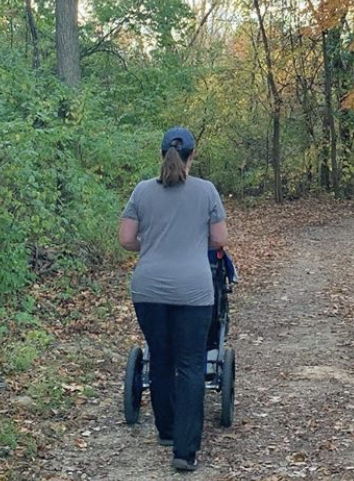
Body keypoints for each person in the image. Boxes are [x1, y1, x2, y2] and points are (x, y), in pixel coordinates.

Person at [119, 126, 227, 473]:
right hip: (193, 291)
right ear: (192, 156)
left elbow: (125, 240)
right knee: (192, 365)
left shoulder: (142, 191)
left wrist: (151, 244)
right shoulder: (206, 191)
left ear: (161, 154)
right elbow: (219, 239)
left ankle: (166, 430)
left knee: (161, 359)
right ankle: (184, 451)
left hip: (148, 289)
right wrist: (193, 242)